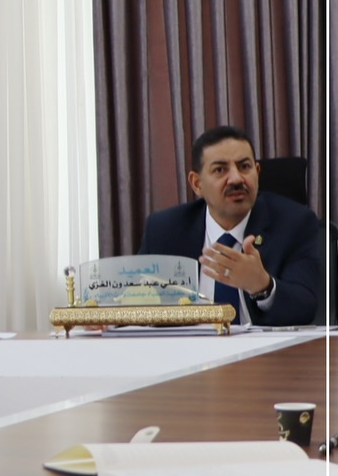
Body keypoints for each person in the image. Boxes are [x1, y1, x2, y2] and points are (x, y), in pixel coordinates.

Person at [138, 126, 321, 326]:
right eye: (220, 170)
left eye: (244, 166)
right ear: (197, 183)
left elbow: (306, 307)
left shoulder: (294, 224)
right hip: (188, 345)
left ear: (257, 172)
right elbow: (134, 298)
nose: (236, 178)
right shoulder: (165, 229)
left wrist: (262, 286)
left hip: (263, 345)